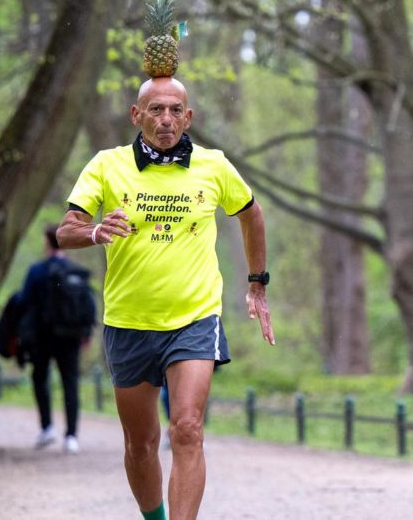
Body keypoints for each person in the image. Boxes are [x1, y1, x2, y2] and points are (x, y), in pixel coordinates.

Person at [56, 77, 273, 520]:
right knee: (140, 445)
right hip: (129, 321)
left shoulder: (213, 166)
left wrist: (257, 283)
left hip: (195, 319)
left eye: (175, 110)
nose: (166, 119)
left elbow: (251, 213)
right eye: (155, 110)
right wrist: (96, 231)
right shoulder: (107, 165)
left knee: (188, 429)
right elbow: (66, 231)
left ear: (188, 117)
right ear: (136, 116)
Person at [21, 224, 94, 454]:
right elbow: (89, 306)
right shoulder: (76, 272)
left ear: (47, 242)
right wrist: (86, 334)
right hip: (70, 338)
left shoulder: (36, 271)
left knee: (40, 379)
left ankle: (47, 428)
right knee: (70, 384)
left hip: (42, 337)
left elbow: (25, 302)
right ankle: (71, 436)